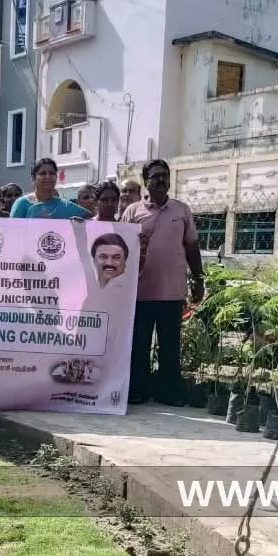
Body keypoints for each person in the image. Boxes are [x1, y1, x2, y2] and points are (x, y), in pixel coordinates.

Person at [121, 159, 204, 406]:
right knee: (139, 345)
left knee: (170, 345)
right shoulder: (132, 212)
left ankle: (169, 392)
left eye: (164, 175)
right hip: (140, 292)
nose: (160, 180)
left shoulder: (181, 210)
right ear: (145, 181)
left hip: (172, 291)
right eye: (155, 176)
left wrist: (198, 279)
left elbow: (192, 247)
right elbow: (121, 248)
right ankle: (138, 390)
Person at [10, 159, 90, 219]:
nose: (48, 177)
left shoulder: (66, 206)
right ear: (33, 178)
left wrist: (79, 224)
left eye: (52, 173)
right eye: (43, 173)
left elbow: (91, 220)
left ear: (56, 177)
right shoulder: (22, 203)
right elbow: (13, 231)